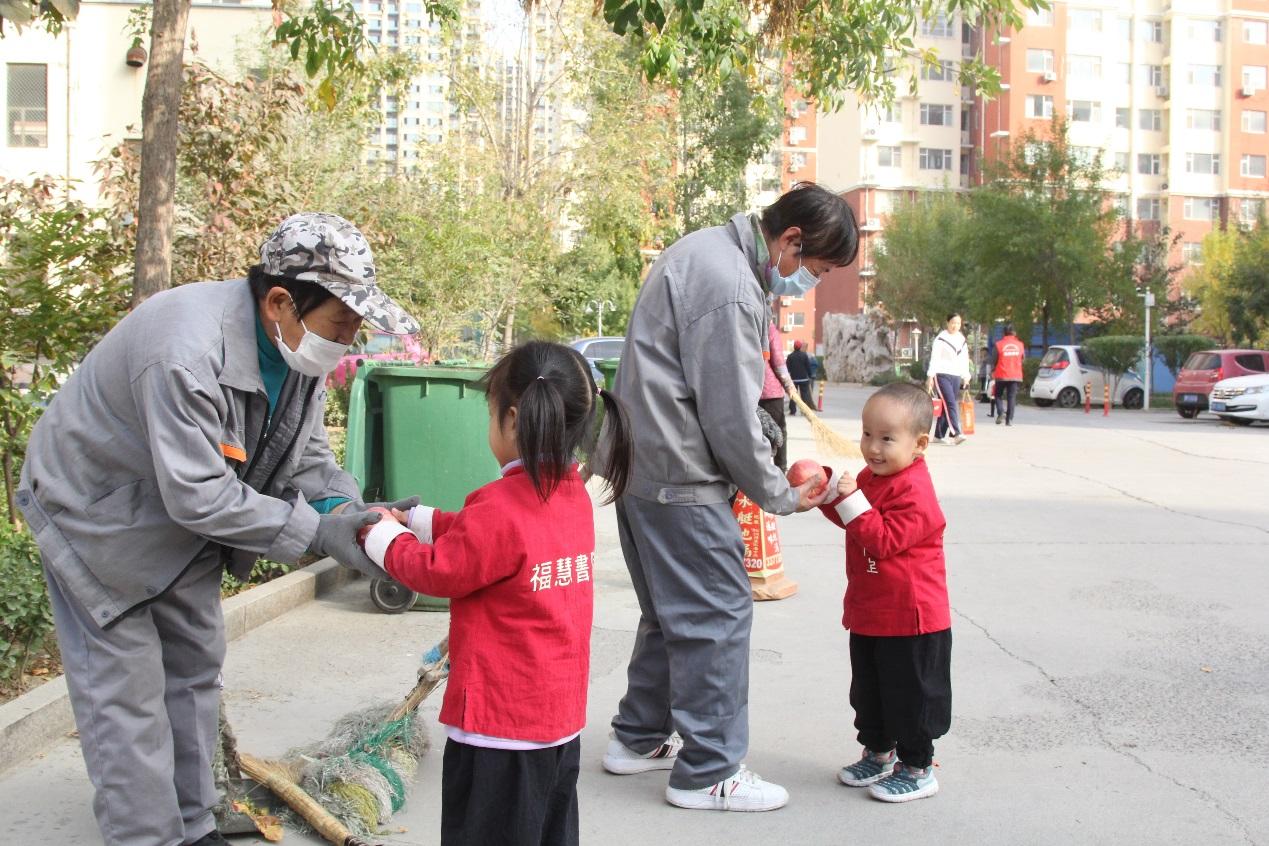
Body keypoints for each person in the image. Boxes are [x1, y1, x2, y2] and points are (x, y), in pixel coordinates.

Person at [15, 213, 418, 846]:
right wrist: (317, 534)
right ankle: (149, 836)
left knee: (196, 668)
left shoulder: (296, 352)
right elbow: (199, 495)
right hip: (94, 514)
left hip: (183, 516)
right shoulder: (185, 350)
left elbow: (304, 456)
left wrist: (349, 512)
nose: (349, 339)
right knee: (128, 697)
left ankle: (195, 822)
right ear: (281, 300)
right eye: (343, 323)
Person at [598, 182, 859, 812]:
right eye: (813, 269)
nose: (807, 283)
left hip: (645, 464)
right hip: (679, 476)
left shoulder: (704, 251)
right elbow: (731, 415)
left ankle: (637, 737)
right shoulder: (732, 286)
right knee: (718, 614)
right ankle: (709, 770)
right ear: (790, 239)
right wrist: (778, 493)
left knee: (671, 613)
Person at [358, 341, 631, 846]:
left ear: (510, 420)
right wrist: (419, 519)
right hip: (556, 721)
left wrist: (380, 537)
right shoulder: (572, 495)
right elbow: (485, 540)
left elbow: (442, 571)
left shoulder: (500, 506)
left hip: (498, 728)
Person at [817, 382, 952, 803]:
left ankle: (916, 767)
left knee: (910, 696)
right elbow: (856, 521)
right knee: (870, 690)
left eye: (887, 438)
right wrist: (824, 495)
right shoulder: (871, 478)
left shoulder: (916, 491)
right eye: (867, 434)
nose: (873, 447)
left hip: (911, 619)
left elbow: (883, 539)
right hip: (872, 609)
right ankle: (876, 752)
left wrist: (851, 500)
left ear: (920, 444)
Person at [926, 312, 971, 444]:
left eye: (958, 323)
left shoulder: (961, 340)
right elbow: (935, 359)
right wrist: (930, 377)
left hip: (956, 375)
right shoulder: (941, 339)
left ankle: (938, 436)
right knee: (950, 403)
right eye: (953, 323)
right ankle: (956, 433)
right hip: (941, 375)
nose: (955, 326)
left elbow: (964, 360)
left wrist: (966, 377)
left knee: (947, 405)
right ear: (947, 323)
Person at [759, 320, 794, 471]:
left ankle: (760, 469)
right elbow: (778, 360)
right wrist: (789, 385)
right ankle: (780, 469)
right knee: (778, 432)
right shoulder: (768, 326)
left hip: (747, 392)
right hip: (769, 392)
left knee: (756, 434)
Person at [992, 323, 1026, 426]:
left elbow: (994, 359)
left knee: (998, 395)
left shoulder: (998, 344)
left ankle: (1001, 412)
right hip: (1015, 375)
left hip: (1001, 374)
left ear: (1004, 333)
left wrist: (993, 370)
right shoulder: (1020, 345)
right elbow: (1023, 359)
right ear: (1014, 333)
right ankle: (1009, 420)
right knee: (1011, 397)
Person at [785, 339, 816, 414]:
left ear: (794, 347)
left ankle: (793, 411)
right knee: (804, 395)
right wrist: (810, 375)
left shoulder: (790, 356)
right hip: (804, 379)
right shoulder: (804, 355)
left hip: (794, 379)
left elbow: (787, 368)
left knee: (793, 395)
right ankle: (804, 411)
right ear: (800, 347)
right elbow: (808, 366)